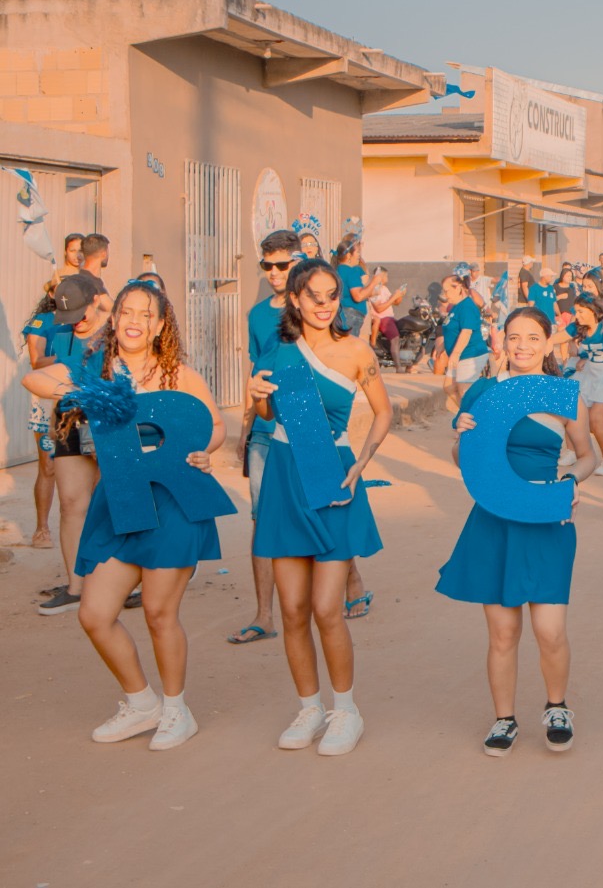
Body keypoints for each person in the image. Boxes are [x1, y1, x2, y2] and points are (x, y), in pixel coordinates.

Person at [24, 282, 225, 749]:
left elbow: (215, 423)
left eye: (146, 314)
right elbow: (33, 379)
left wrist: (203, 449)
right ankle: (141, 704)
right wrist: (84, 388)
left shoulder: (178, 373)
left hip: (173, 500)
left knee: (158, 612)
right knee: (94, 613)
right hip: (120, 502)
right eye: (126, 311)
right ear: (114, 318)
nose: (135, 320)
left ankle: (177, 711)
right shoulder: (98, 366)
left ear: (159, 326)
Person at [248, 259, 393, 756]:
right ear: (295, 299)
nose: (325, 303)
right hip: (286, 475)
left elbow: (384, 410)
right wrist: (257, 397)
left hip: (333, 475)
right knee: (291, 610)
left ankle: (345, 710)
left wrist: (362, 460)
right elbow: (266, 414)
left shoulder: (356, 351)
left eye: (332, 295)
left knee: (326, 607)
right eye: (314, 295)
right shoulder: (276, 350)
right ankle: (309, 707)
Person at [439, 307, 599, 756]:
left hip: (546, 519)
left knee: (550, 630)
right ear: (502, 341)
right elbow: (461, 458)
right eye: (514, 337)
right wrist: (461, 437)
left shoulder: (566, 395)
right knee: (503, 633)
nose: (522, 346)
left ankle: (556, 706)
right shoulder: (483, 392)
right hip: (493, 520)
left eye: (532, 337)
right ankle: (504, 718)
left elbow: (588, 456)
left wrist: (571, 481)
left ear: (549, 343)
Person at [229, 229, 297, 645]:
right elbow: (256, 375)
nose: (273, 272)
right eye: (267, 265)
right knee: (260, 519)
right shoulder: (256, 315)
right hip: (265, 428)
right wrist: (246, 424)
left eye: (282, 265)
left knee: (318, 508)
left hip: (307, 426)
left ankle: (351, 582)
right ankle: (264, 614)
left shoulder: (319, 309)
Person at [32, 274, 112, 616]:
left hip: (110, 420)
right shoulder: (62, 333)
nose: (75, 323)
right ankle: (76, 586)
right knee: (70, 503)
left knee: (114, 503)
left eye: (80, 313)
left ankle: (122, 582)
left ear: (96, 300)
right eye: (68, 317)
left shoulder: (117, 332)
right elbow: (50, 377)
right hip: (69, 420)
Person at [21, 280, 62, 551]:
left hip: (79, 398)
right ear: (50, 293)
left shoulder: (84, 322)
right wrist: (69, 357)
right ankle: (42, 529)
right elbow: (36, 361)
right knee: (48, 465)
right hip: (47, 402)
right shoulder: (41, 321)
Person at [571, 295, 603, 478]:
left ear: (593, 311)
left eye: (581, 311)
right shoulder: (581, 329)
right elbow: (578, 348)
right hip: (590, 375)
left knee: (597, 421)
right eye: (576, 311)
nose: (578, 315)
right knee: (586, 422)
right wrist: (582, 357)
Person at [440, 273, 491, 405]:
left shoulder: (467, 306)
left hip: (469, 354)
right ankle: (466, 415)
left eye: (447, 291)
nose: (445, 295)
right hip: (460, 356)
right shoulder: (456, 307)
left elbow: (466, 332)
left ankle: (472, 420)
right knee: (449, 387)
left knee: (465, 392)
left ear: (458, 288)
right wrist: (442, 346)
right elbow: (451, 329)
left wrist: (455, 354)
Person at [363, 266, 406, 364]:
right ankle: (398, 365)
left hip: (390, 317)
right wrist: (394, 297)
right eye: (386, 276)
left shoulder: (384, 288)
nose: (387, 278)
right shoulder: (374, 289)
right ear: (381, 276)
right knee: (395, 339)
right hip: (383, 319)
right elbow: (379, 309)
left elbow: (395, 303)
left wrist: (399, 296)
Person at [332, 235, 373, 335]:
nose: (359, 255)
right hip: (352, 314)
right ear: (349, 256)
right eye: (357, 252)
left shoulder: (338, 270)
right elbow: (358, 296)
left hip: (342, 313)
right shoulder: (352, 271)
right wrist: (375, 282)